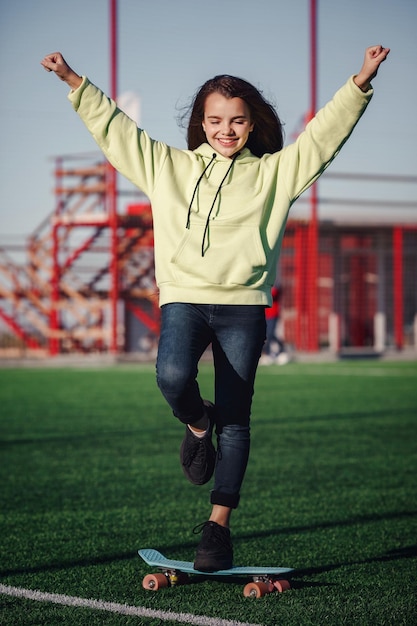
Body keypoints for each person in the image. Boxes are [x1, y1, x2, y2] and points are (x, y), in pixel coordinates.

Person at [41, 45, 390, 572]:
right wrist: (74, 82)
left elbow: (322, 138)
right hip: (184, 297)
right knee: (173, 376)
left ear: (252, 124)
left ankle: (217, 527)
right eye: (215, 120)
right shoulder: (169, 168)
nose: (226, 129)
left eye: (237, 120)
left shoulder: (276, 173)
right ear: (201, 124)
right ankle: (197, 426)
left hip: (243, 307)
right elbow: (119, 133)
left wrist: (360, 82)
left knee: (239, 419)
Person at [262, 285, 289, 364]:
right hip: (265, 314)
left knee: (270, 334)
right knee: (268, 334)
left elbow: (272, 294)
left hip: (273, 314)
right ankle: (279, 350)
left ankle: (269, 353)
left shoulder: (275, 287)